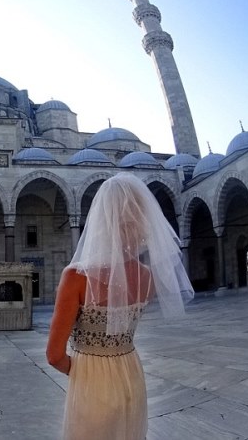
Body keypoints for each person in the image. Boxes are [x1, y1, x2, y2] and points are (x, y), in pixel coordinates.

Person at [46, 172, 193, 440]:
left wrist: (86, 373)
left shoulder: (76, 278)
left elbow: (55, 355)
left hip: (92, 382)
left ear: (100, 221)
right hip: (130, 376)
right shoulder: (146, 277)